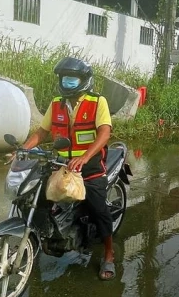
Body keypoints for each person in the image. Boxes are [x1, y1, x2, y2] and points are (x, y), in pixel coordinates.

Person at [22, 57, 116, 281]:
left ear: (83, 80)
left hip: (90, 167)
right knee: (37, 198)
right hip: (62, 166)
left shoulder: (97, 101)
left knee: (98, 209)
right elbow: (42, 133)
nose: (68, 82)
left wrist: (84, 157)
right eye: (65, 78)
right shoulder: (56, 103)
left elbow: (104, 133)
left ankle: (109, 255)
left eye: (72, 78)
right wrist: (22, 149)